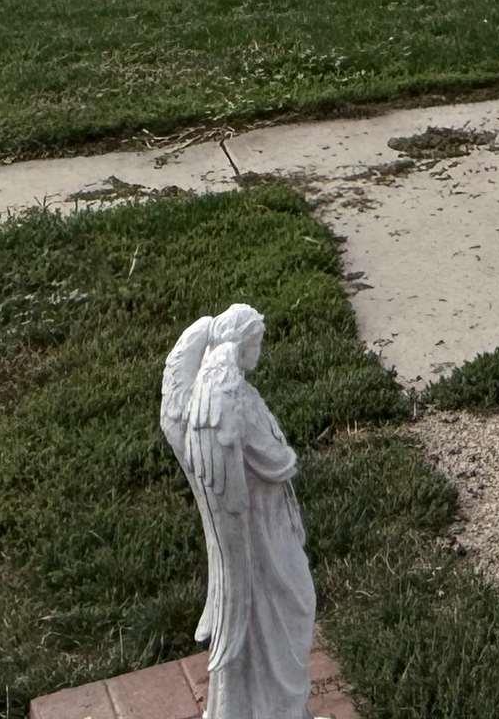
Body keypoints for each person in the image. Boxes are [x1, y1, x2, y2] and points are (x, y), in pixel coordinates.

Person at [158, 304, 316, 719]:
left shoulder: (236, 395)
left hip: (269, 523)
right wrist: (288, 456)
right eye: (257, 343)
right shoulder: (229, 404)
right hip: (259, 531)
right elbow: (276, 461)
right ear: (242, 344)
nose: (259, 351)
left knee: (278, 613)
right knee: (292, 604)